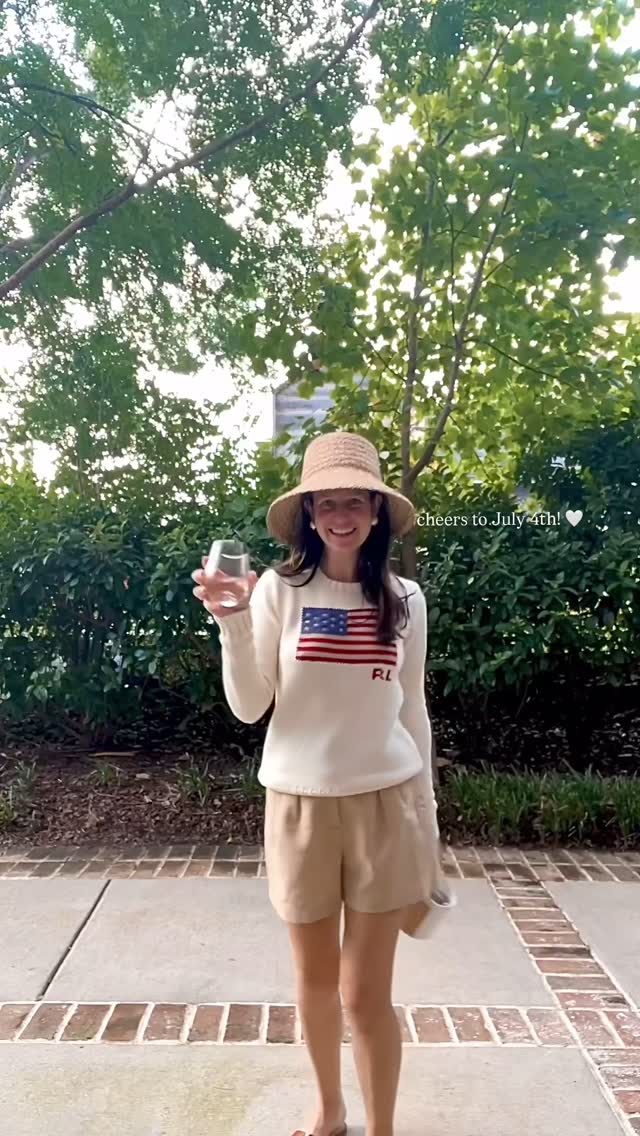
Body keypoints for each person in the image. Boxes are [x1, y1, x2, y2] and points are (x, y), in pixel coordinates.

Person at [191, 430, 447, 1136]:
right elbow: (250, 707)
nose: (340, 515)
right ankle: (329, 1112)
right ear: (308, 513)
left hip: (385, 806)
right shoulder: (278, 590)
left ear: (376, 510)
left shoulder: (405, 598)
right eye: (326, 502)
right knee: (314, 981)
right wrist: (232, 624)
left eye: (354, 501)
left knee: (366, 994)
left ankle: (382, 1128)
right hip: (298, 804)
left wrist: (427, 814)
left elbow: (413, 707)